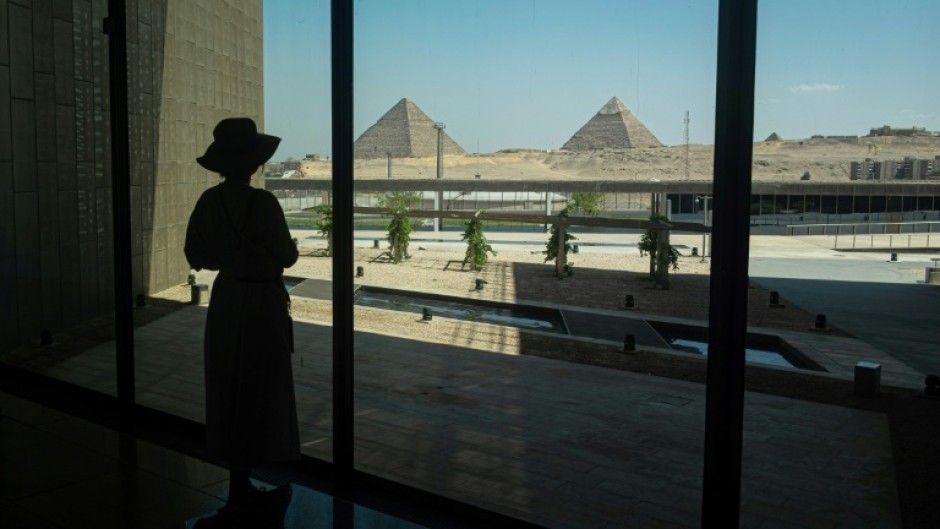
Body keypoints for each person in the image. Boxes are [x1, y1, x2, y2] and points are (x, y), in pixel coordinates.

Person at [184, 117, 300, 507]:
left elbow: (196, 255)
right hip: (262, 302)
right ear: (253, 162)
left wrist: (228, 256)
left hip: (227, 298)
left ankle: (237, 477)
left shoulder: (208, 202)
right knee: (261, 384)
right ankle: (252, 470)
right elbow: (287, 256)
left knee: (229, 382)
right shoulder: (264, 204)